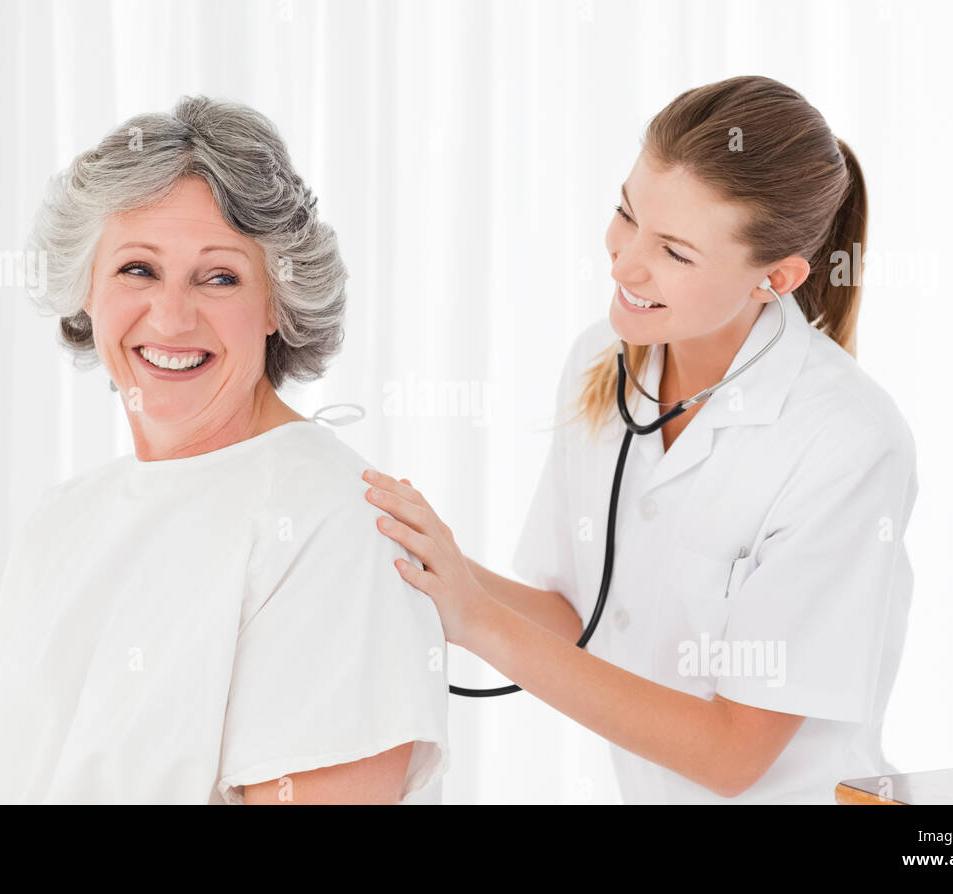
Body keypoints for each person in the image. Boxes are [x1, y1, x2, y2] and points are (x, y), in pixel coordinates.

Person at [364, 75, 918, 803]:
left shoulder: (845, 441)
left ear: (775, 277)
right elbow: (578, 620)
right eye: (626, 214)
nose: (624, 264)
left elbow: (731, 756)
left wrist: (479, 621)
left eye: (676, 252)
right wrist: (423, 563)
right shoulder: (605, 361)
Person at [0, 96, 449, 805]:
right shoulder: (62, 521)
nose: (171, 316)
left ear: (278, 303)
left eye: (219, 277)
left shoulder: (334, 523)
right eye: (137, 270)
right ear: (86, 289)